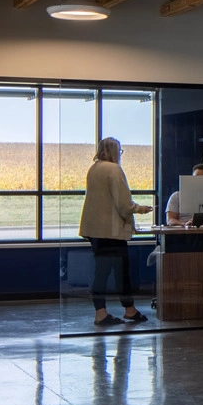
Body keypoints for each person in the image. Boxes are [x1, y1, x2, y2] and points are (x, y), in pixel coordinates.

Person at [79, 138, 152, 326]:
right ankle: (129, 310)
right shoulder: (113, 169)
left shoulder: (93, 169)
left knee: (101, 272)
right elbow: (123, 204)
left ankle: (101, 311)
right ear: (114, 151)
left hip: (94, 230)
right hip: (111, 231)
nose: (120, 155)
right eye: (119, 151)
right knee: (121, 272)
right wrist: (141, 209)